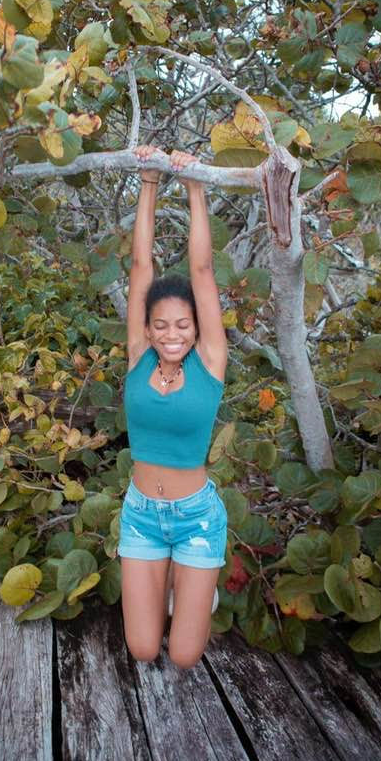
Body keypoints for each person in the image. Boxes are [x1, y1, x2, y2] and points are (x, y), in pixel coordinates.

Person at [118, 144, 229, 670]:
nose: (171, 335)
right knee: (142, 649)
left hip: (197, 519)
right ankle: (166, 581)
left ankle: (193, 584)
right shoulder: (139, 355)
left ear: (197, 329)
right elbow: (141, 265)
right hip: (141, 515)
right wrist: (148, 183)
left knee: (184, 657)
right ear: (147, 328)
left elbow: (201, 272)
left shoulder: (210, 361)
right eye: (161, 325)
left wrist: (195, 186)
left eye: (182, 325)